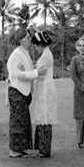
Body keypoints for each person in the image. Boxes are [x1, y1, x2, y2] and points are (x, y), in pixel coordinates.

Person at [6, 28, 47, 158]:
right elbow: (18, 74)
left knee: (23, 121)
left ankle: (21, 148)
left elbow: (26, 70)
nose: (31, 40)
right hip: (17, 91)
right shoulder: (17, 54)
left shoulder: (25, 53)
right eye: (29, 37)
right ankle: (14, 150)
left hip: (24, 92)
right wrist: (36, 73)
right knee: (17, 121)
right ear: (21, 40)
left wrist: (34, 70)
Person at [29, 30, 57, 158]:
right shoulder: (46, 54)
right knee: (42, 116)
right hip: (44, 87)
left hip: (45, 88)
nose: (35, 48)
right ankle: (41, 148)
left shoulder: (45, 56)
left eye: (35, 46)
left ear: (40, 44)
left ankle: (43, 149)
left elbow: (40, 72)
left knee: (44, 117)